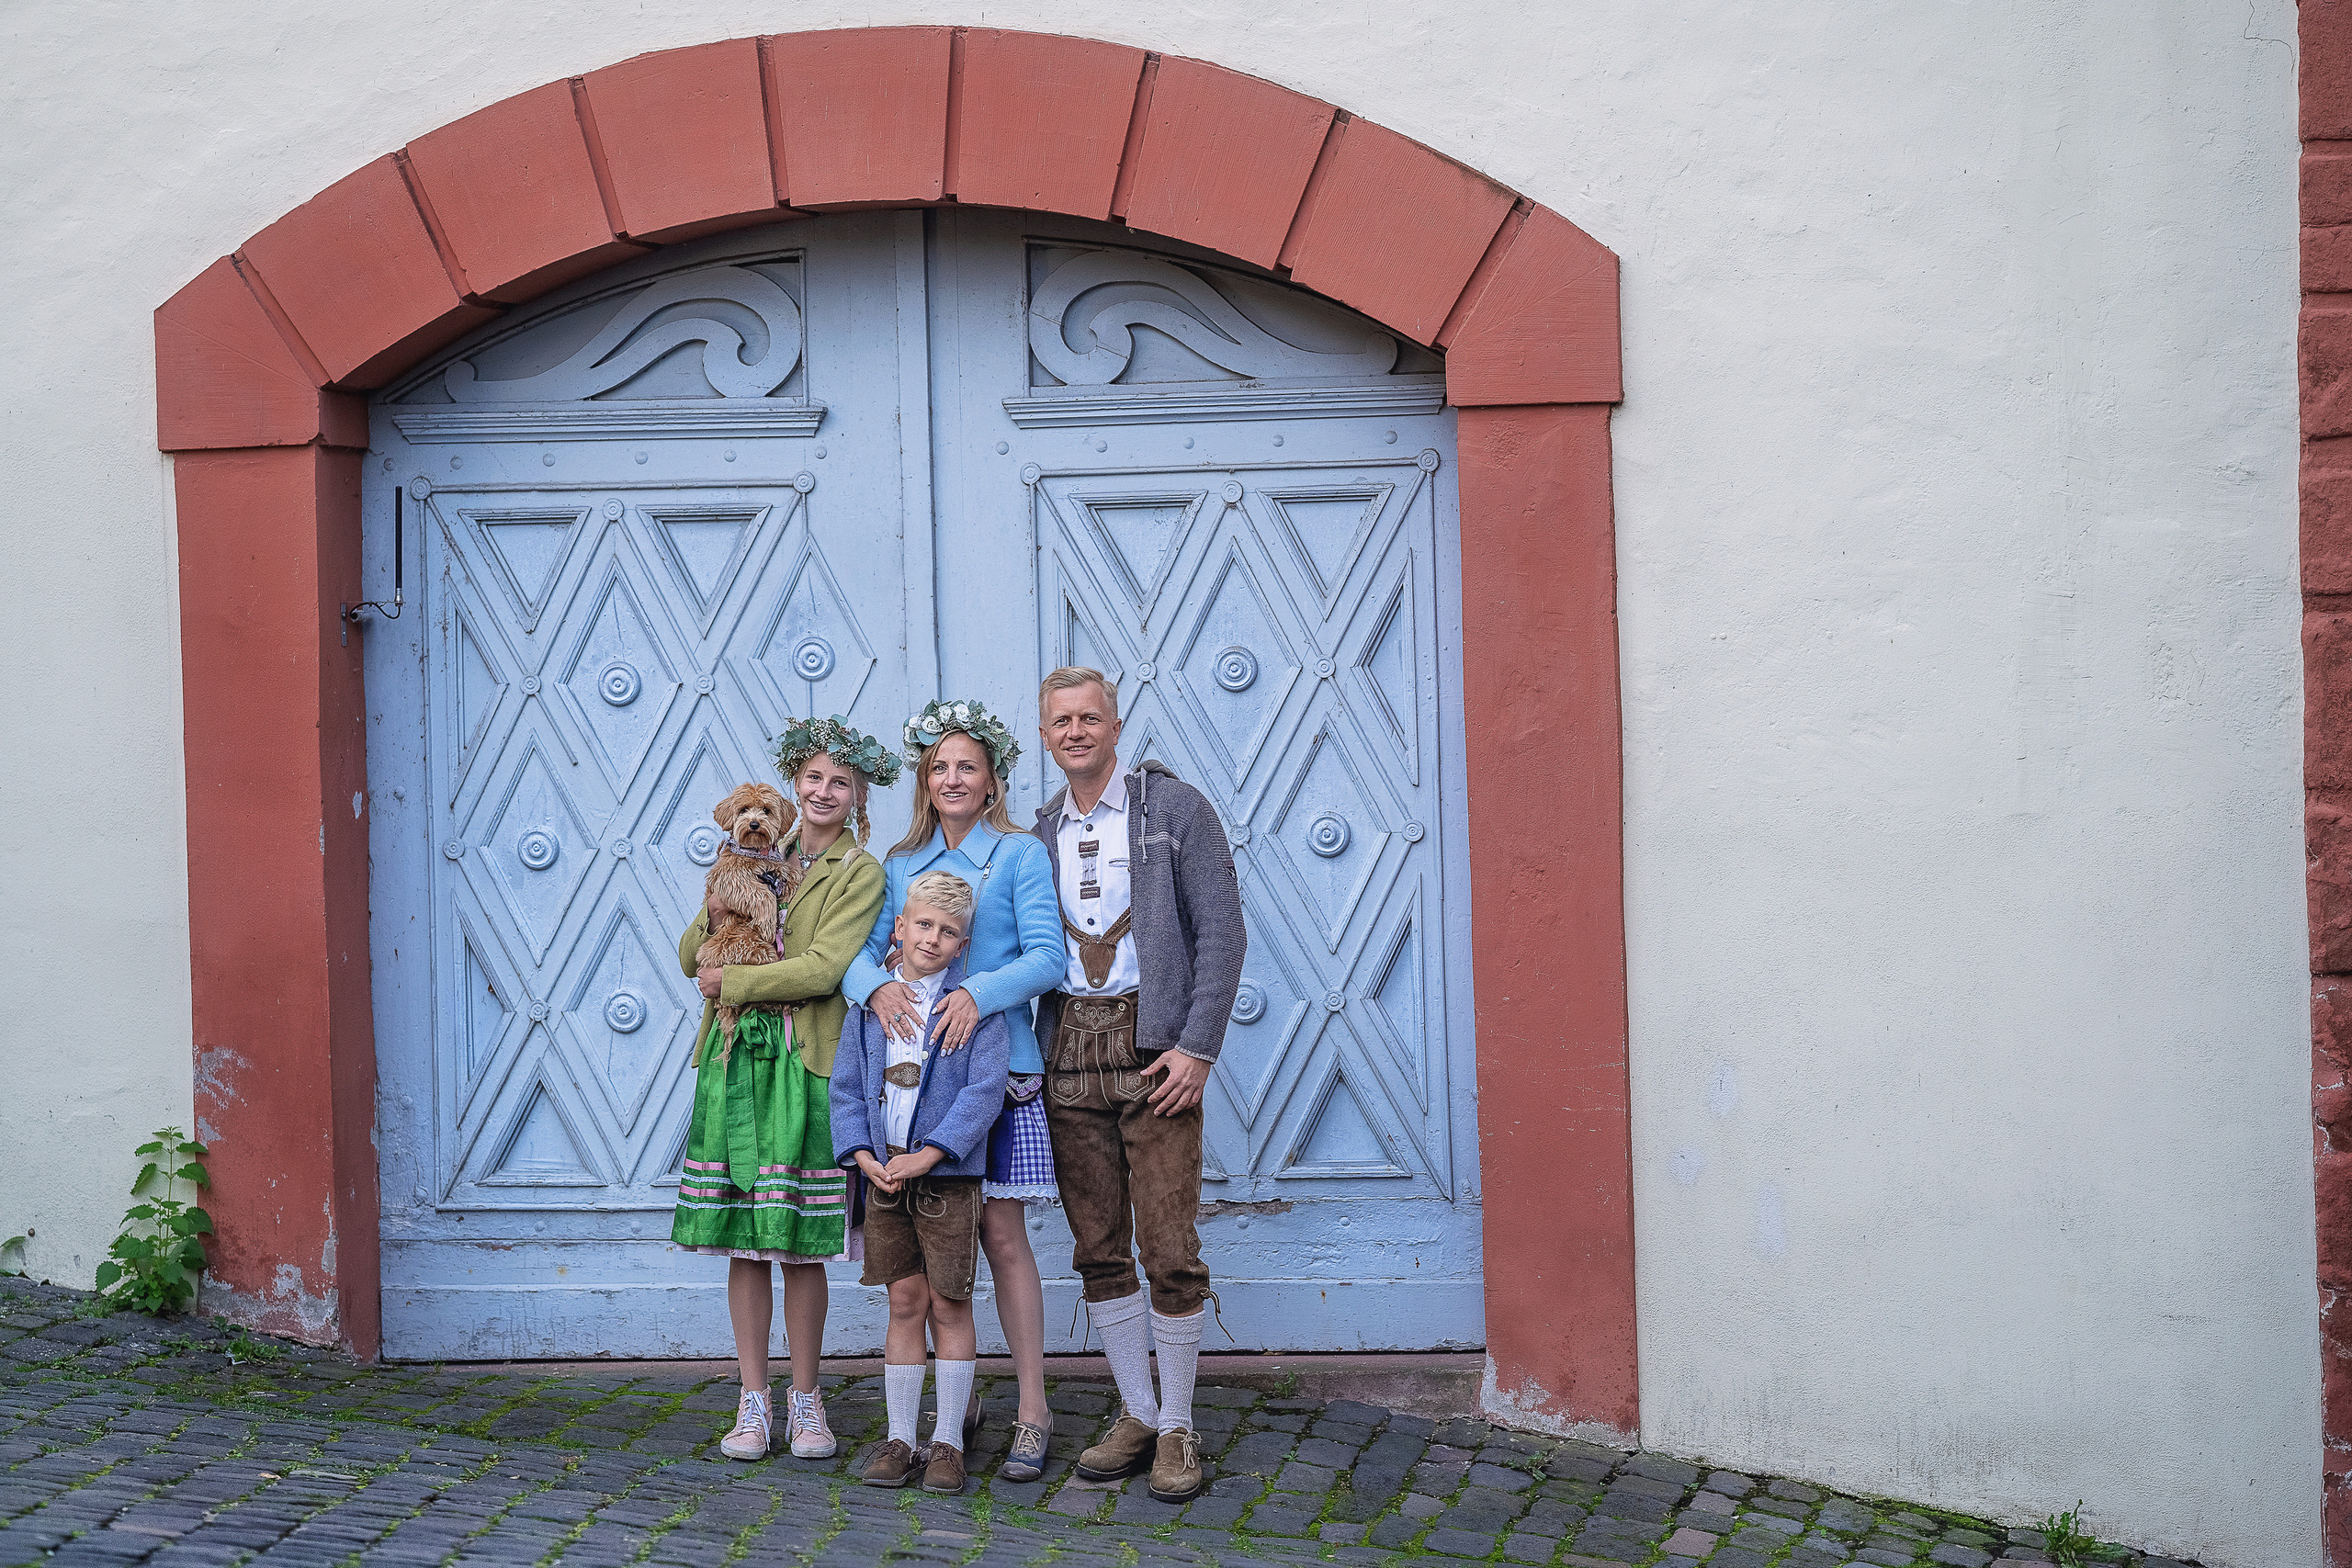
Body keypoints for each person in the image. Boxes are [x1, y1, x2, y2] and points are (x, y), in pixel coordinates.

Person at [1033, 666, 1245, 1505]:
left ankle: (1181, 1422)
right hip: (1070, 1052)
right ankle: (1136, 1408)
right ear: (1045, 736)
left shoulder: (1173, 809)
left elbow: (1222, 932)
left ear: (1116, 726)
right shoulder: (1039, 829)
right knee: (1097, 1245)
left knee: (1169, 1245)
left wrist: (1197, 1048)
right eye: (1061, 721)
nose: (1076, 731)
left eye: (1090, 717)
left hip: (1153, 1044)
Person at [842, 698, 1066, 1482]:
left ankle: (1033, 1407)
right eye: (939, 765)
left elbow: (1047, 958)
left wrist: (981, 993)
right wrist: (876, 991)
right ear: (924, 779)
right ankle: (945, 1412)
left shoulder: (1019, 853)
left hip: (994, 1070)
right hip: (914, 1076)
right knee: (918, 1263)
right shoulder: (901, 862)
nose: (952, 777)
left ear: (993, 776)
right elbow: (862, 953)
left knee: (1001, 1238)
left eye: (967, 764)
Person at [670, 716, 896, 1463]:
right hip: (734, 1057)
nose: (824, 790)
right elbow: (686, 954)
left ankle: (806, 1400)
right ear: (793, 789)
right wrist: (718, 900)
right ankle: (752, 1398)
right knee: (743, 1243)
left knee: (798, 1244)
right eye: (813, 778)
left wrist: (729, 978)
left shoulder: (858, 873)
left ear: (856, 794)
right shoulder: (754, 853)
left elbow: (825, 968)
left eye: (840, 781)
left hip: (803, 1064)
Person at [831, 870, 1012, 1495]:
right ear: (901, 926)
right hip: (885, 1174)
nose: (933, 938)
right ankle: (901, 1436)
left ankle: (949, 1442)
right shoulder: (871, 1006)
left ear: (963, 943)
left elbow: (984, 1092)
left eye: (949, 931)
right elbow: (848, 1089)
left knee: (948, 1302)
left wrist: (932, 1153)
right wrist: (860, 1151)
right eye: (924, 924)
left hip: (946, 1179)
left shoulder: (973, 1007)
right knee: (904, 1300)